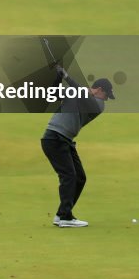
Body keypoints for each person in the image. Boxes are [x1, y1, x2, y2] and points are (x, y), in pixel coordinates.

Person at [41, 64, 115, 228]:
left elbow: (83, 96)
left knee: (79, 177)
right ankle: (65, 217)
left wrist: (67, 76)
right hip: (54, 137)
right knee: (69, 176)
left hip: (64, 140)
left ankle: (62, 215)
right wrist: (58, 78)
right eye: (106, 95)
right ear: (99, 89)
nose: (106, 99)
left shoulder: (97, 105)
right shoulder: (79, 95)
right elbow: (51, 94)